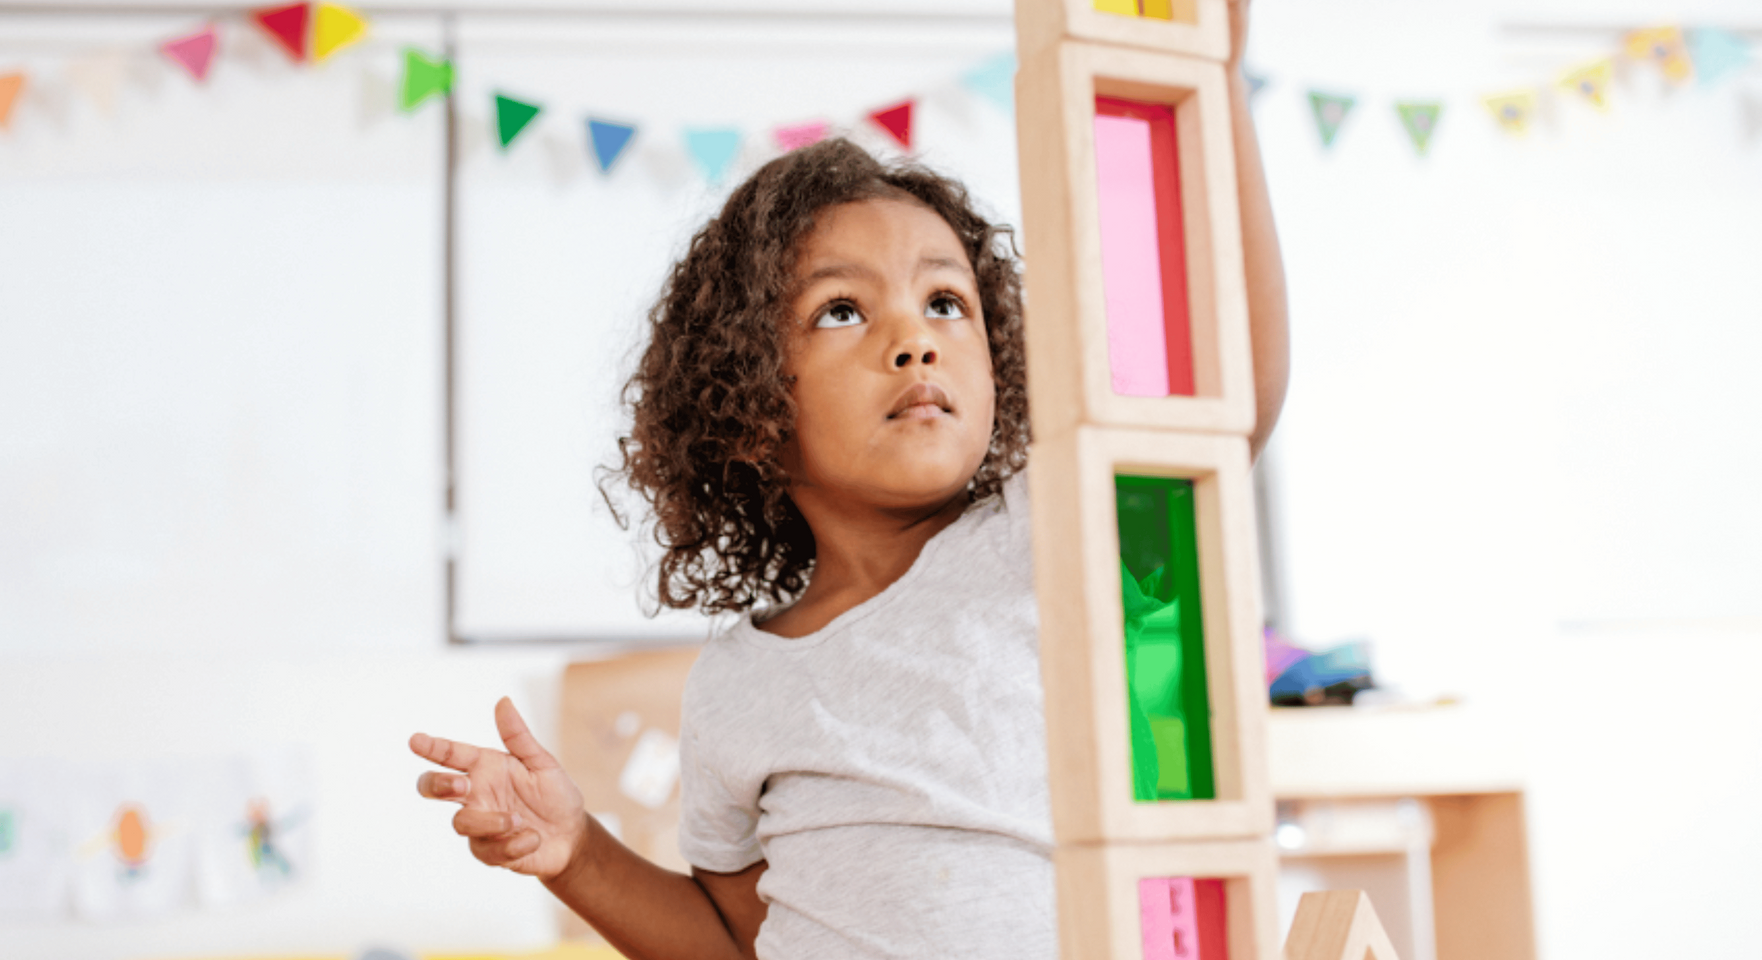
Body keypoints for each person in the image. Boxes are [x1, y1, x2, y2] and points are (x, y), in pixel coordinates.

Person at [409, 2, 1287, 955]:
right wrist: (576, 851)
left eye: (945, 301)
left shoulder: (1061, 527)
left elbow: (1229, 390)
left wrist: (1216, 92)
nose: (913, 339)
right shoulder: (737, 691)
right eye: (841, 311)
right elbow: (737, 942)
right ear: (749, 402)